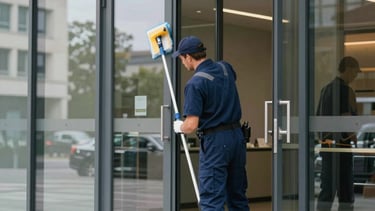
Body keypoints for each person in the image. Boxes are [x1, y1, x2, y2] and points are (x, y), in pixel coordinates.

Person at [172, 36, 249, 211]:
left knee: (212, 200)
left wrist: (179, 127)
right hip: (237, 138)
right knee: (237, 197)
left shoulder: (195, 84)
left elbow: (191, 125)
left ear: (188, 57)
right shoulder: (226, 68)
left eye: (182, 59)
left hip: (215, 142)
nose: (183, 63)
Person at [316, 56, 361, 211]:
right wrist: (353, 136)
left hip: (327, 146)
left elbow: (318, 119)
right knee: (346, 191)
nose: (355, 77)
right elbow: (346, 117)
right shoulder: (344, 90)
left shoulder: (325, 89)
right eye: (355, 73)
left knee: (327, 189)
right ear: (348, 69)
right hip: (342, 146)